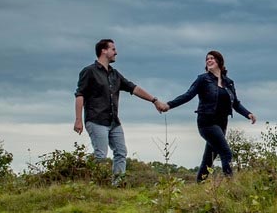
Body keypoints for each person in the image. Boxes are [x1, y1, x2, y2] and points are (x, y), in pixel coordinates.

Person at [73, 38, 163, 183]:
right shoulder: (89, 71)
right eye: (113, 49)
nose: (116, 52)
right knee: (100, 155)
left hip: (114, 121)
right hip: (96, 119)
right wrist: (78, 120)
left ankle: (117, 184)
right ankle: (98, 185)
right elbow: (80, 95)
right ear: (104, 50)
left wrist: (154, 100)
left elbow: (134, 88)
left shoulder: (115, 74)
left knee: (121, 153)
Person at [160, 50, 257, 181]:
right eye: (207, 59)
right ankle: (231, 185)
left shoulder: (229, 82)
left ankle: (199, 184)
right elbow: (188, 95)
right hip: (207, 122)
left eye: (212, 58)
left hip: (222, 123)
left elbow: (235, 103)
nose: (209, 60)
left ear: (219, 62)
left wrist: (248, 114)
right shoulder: (203, 79)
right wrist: (169, 105)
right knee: (226, 153)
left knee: (208, 159)